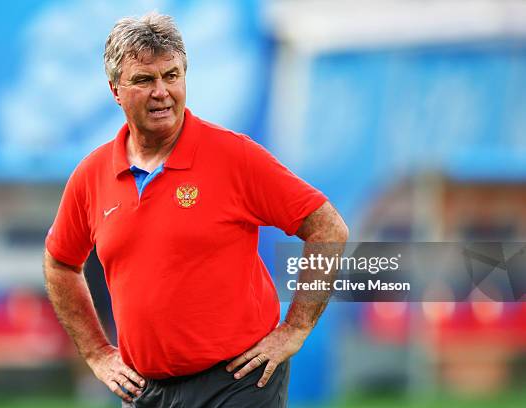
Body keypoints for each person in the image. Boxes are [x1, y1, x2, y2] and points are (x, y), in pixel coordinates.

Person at [43, 12, 348, 407]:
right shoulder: (91, 175)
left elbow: (328, 229)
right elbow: (60, 263)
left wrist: (295, 329)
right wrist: (98, 353)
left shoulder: (233, 156)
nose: (161, 92)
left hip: (238, 382)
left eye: (172, 75)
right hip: (144, 390)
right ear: (115, 90)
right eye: (143, 79)